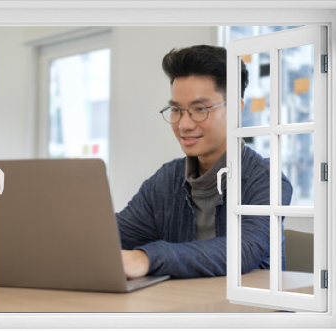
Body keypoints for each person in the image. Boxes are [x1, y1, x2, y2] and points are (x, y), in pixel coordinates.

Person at [117, 45, 292, 279]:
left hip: (251, 311)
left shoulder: (266, 180)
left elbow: (243, 250)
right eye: (176, 109)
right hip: (185, 308)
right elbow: (113, 237)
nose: (184, 124)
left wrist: (146, 258)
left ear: (237, 110)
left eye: (200, 109)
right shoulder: (166, 180)